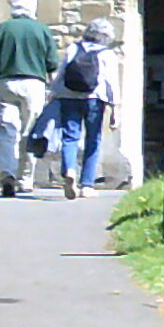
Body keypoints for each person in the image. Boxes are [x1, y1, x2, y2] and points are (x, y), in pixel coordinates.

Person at [34, 17, 120, 200]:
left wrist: (53, 93)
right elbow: (112, 83)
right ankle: (87, 185)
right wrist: (115, 109)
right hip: (95, 99)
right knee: (93, 140)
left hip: (69, 97)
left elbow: (62, 73)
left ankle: (69, 170)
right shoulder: (107, 54)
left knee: (70, 137)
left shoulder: (73, 48)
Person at [0, 0, 58, 197]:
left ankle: (8, 174)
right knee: (30, 132)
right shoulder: (42, 30)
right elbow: (52, 65)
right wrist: (54, 91)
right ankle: (26, 179)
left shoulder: (2, 29)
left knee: (7, 132)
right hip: (34, 84)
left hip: (5, 83)